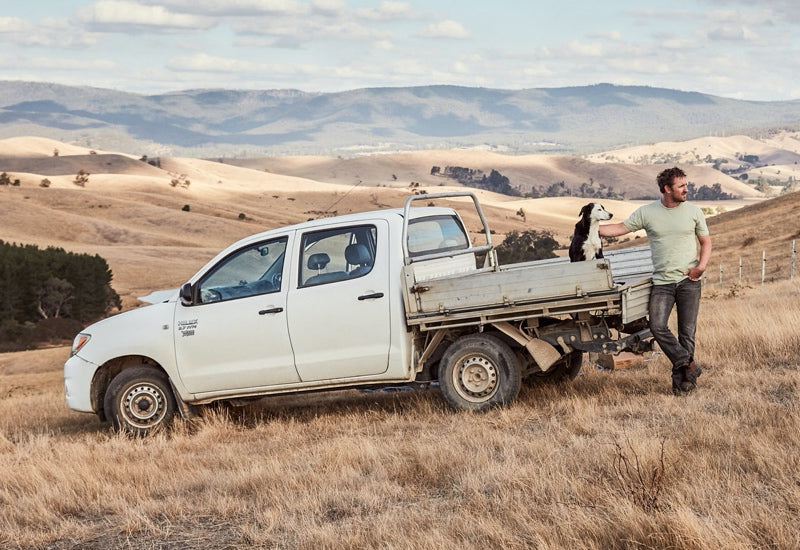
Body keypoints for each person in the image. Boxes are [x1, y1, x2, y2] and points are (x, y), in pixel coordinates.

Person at [599, 167, 712, 395]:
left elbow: (706, 242)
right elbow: (620, 228)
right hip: (662, 283)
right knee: (657, 326)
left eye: (685, 185)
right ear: (667, 189)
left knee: (686, 333)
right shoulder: (647, 212)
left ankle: (683, 384)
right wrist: (591, 228)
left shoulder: (693, 212)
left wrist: (700, 267)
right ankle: (688, 364)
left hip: (689, 282)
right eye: (681, 186)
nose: (686, 189)